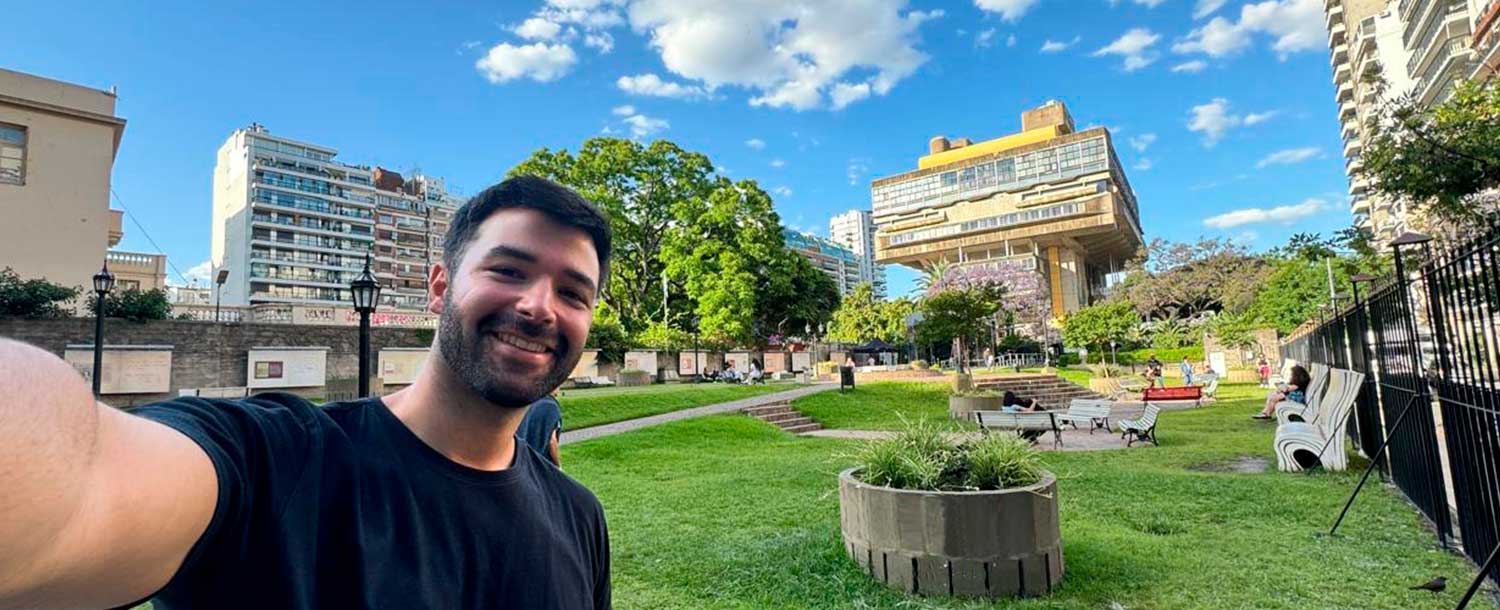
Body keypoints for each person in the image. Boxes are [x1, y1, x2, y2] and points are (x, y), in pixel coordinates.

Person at [0, 176, 613, 609]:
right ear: (439, 287)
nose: (538, 307)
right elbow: (82, 483)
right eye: (508, 271)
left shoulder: (580, 517)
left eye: (573, 293)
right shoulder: (280, 462)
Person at [518, 390, 563, 467]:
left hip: (524, 459)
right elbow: (552, 441)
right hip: (542, 462)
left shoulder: (532, 403)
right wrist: (558, 465)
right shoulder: (551, 406)